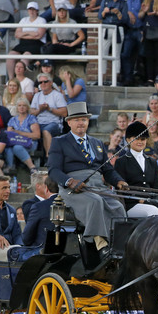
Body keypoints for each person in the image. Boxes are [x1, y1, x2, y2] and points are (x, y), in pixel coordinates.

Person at [47, 102, 129, 259]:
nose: (80, 123)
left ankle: (120, 244)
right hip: (73, 189)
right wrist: (69, 181)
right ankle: (100, 243)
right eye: (77, 119)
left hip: (97, 186)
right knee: (95, 202)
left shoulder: (97, 143)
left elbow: (107, 170)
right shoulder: (60, 142)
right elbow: (53, 170)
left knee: (117, 206)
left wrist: (119, 181)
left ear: (88, 122)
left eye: (83, 119)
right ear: (69, 122)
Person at [31, 73, 67, 157]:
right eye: (40, 82)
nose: (43, 84)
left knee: (46, 130)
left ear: (51, 82)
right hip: (38, 122)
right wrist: (40, 109)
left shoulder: (57, 95)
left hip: (54, 123)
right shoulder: (37, 96)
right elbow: (31, 113)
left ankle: (49, 157)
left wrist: (50, 109)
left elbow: (64, 113)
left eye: (45, 81)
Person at [22, 176, 58, 248]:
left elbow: (26, 237)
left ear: (46, 188)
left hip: (43, 250)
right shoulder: (30, 204)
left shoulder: (39, 206)